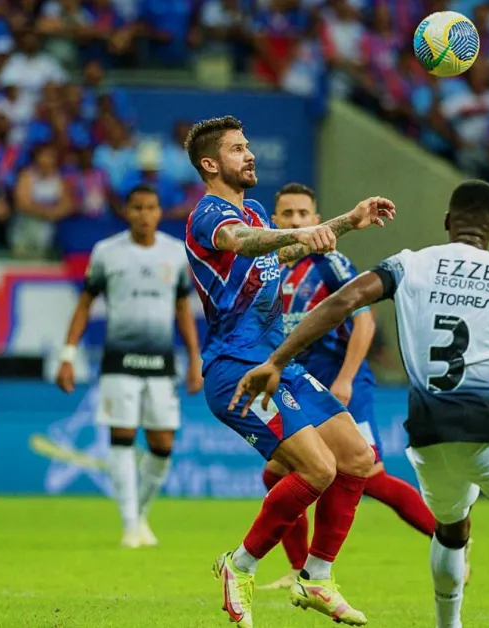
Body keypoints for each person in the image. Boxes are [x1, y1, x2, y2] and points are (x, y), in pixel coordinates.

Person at [231, 180, 489, 628]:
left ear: (446, 222)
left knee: (450, 531)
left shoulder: (409, 265)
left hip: (427, 436)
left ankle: (448, 624)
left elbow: (344, 302)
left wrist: (277, 359)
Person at [183, 115, 395, 628]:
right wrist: (299, 229)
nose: (249, 154)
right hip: (239, 370)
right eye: (238, 149)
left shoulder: (254, 209)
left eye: (249, 145)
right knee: (318, 470)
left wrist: (345, 222)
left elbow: (287, 248)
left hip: (281, 363)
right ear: (211, 164)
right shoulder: (209, 215)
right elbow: (243, 242)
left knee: (357, 458)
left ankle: (317, 578)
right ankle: (240, 567)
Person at [260, 182, 438, 592]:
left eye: (303, 214)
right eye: (287, 214)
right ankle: (298, 569)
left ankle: (451, 542)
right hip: (304, 384)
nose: (296, 221)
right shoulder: (274, 267)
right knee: (278, 474)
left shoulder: (330, 262)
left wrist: (344, 378)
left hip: (344, 382)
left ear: (317, 219)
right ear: (274, 221)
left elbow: (364, 321)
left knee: (370, 477)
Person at [55, 183, 204, 549]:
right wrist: (68, 356)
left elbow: (183, 309)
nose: (143, 214)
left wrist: (195, 358)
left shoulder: (174, 254)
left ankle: (139, 516)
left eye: (150, 207)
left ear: (159, 211)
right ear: (126, 211)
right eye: (136, 207)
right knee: (121, 437)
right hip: (118, 360)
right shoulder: (107, 252)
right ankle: (128, 525)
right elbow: (85, 303)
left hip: (161, 361)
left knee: (162, 442)